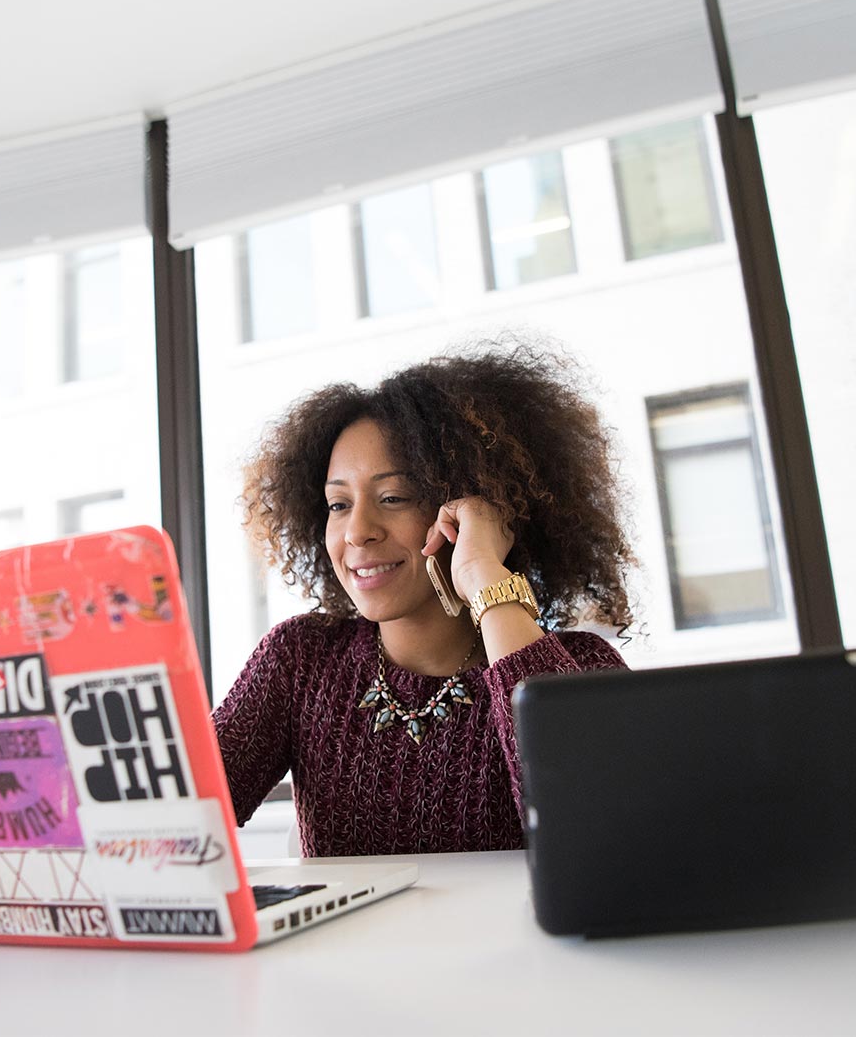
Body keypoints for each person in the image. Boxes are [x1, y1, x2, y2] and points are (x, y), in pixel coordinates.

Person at [213, 343, 636, 856]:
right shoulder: (300, 661)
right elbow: (182, 814)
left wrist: (484, 575)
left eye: (393, 498)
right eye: (338, 504)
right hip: (356, 941)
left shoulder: (581, 667)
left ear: (466, 509)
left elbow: (604, 824)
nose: (357, 532)